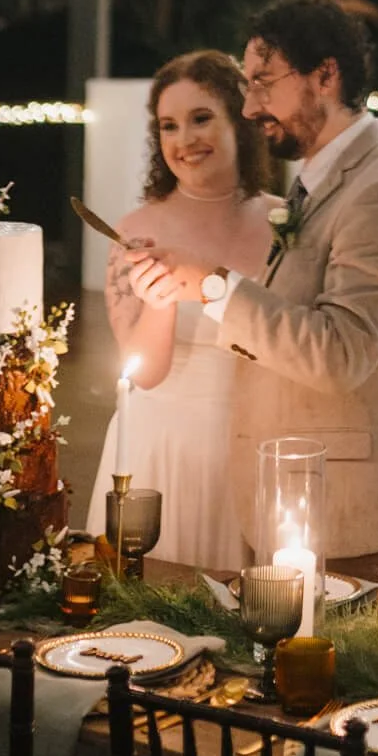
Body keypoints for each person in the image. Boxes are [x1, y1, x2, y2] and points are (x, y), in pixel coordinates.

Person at [133, 0, 378, 572]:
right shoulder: (319, 181)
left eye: (263, 83)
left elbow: (340, 353)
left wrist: (214, 286)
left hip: (357, 522)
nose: (252, 106)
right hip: (298, 505)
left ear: (324, 76)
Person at [85, 49, 274, 569]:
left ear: (240, 120)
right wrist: (159, 300)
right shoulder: (136, 229)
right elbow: (145, 373)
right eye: (169, 126)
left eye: (200, 119)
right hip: (158, 448)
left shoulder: (285, 223)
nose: (184, 141)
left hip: (254, 443)